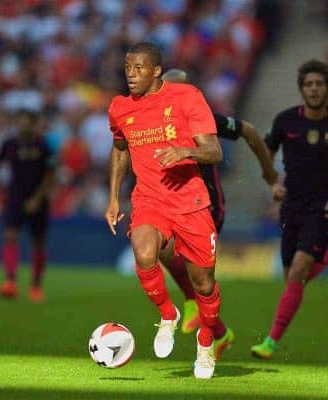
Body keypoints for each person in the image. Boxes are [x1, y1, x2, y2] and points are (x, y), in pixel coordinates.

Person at [106, 43, 224, 379]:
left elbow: (213, 151)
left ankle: (205, 344)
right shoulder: (119, 108)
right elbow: (119, 150)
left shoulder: (187, 97)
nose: (131, 74)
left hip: (190, 202)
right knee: (144, 253)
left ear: (156, 70)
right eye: (128, 68)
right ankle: (168, 315)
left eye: (139, 68)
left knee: (203, 284)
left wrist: (185, 151)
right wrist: (114, 197)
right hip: (149, 200)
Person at [159, 68, 278, 359]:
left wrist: (268, 170)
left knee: (192, 268)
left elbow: (248, 130)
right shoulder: (155, 120)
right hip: (174, 204)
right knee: (160, 247)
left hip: (208, 206)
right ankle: (217, 329)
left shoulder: (203, 117)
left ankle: (209, 327)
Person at [250, 60, 328, 359]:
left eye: (319, 84)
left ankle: (270, 342)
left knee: (298, 271)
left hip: (321, 208)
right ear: (301, 89)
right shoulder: (286, 121)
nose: (313, 89)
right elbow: (265, 154)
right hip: (291, 206)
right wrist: (272, 183)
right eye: (308, 84)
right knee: (293, 279)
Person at [0, 109, 55, 303]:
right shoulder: (10, 144)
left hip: (37, 199)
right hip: (15, 196)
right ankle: (10, 282)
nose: (22, 125)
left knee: (38, 242)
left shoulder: (43, 146)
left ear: (33, 124)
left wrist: (37, 198)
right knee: (10, 236)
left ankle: (36, 286)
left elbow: (51, 177)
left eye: (26, 122)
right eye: (19, 122)